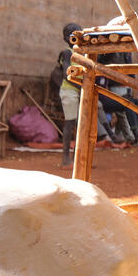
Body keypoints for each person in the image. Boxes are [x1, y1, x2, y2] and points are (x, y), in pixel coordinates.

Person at [53, 22, 83, 167]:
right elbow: (67, 75)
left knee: (81, 125)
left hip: (80, 90)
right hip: (69, 90)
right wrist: (82, 86)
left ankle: (77, 158)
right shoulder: (67, 53)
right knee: (70, 123)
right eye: (76, 33)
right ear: (68, 38)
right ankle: (65, 158)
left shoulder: (82, 53)